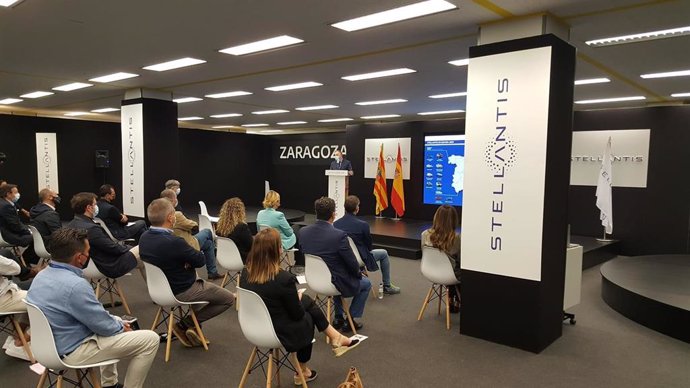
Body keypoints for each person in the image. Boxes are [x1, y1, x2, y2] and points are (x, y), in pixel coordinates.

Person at [26, 228, 160, 388]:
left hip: (47, 346)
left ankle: (109, 383)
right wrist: (120, 327)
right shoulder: (75, 285)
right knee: (150, 340)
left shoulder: (41, 276)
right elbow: (104, 327)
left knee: (113, 321)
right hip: (72, 351)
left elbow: (97, 319)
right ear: (79, 258)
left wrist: (115, 324)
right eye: (88, 251)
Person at [241, 229, 360, 385]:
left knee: (306, 300)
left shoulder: (245, 273)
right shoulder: (283, 278)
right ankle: (302, 370)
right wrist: (296, 298)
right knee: (307, 317)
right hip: (277, 331)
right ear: (276, 250)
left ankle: (335, 337)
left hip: (254, 327)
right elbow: (297, 315)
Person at [138, 199, 235, 347]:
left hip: (158, 291)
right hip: (182, 290)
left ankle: (194, 328)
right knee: (228, 298)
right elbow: (200, 260)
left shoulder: (144, 238)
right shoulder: (175, 242)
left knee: (198, 285)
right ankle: (185, 324)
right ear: (171, 217)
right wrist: (187, 261)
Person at [299, 197, 371, 332]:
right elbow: (352, 263)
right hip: (334, 282)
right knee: (366, 284)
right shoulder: (339, 236)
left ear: (316, 212)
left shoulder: (303, 232)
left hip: (313, 280)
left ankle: (338, 316)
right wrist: (358, 274)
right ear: (333, 214)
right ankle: (350, 319)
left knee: (338, 274)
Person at [66, 192, 144, 280]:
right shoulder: (92, 229)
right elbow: (113, 248)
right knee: (146, 249)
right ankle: (157, 287)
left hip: (84, 266)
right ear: (89, 208)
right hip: (108, 266)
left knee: (143, 260)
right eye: (95, 204)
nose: (97, 207)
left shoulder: (70, 225)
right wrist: (130, 248)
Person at [334, 195, 401, 294]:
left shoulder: (336, 224)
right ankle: (387, 285)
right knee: (384, 253)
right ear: (357, 208)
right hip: (359, 259)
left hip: (343, 258)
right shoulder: (363, 225)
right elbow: (369, 246)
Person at [160, 189, 222, 279]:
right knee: (207, 232)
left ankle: (212, 272)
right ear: (173, 200)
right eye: (176, 198)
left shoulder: (160, 214)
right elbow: (193, 225)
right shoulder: (176, 215)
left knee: (208, 244)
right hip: (187, 245)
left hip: (173, 245)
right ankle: (213, 253)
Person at [421, 204, 461, 312]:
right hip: (450, 275)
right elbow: (459, 260)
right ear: (454, 220)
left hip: (429, 271)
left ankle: (452, 299)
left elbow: (423, 252)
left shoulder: (425, 234)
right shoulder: (456, 238)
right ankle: (456, 300)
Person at [0, 248, 36, 361]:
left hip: (6, 293)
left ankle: (19, 336)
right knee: (45, 301)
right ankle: (21, 343)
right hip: (3, 298)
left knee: (36, 291)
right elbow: (15, 268)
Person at [256, 190, 304, 267]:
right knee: (297, 229)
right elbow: (289, 232)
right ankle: (299, 262)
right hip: (278, 243)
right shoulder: (279, 215)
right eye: (278, 201)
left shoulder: (260, 213)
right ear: (276, 201)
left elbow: (259, 231)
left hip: (264, 242)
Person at [0, 184, 39, 265]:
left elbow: (16, 223)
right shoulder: (6, 206)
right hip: (9, 235)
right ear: (8, 194)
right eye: (16, 192)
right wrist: (28, 231)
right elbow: (15, 225)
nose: (18, 194)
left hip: (7, 232)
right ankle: (25, 261)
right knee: (38, 238)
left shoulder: (5, 203)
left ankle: (24, 262)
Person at [215, 197, 253, 263]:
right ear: (240, 211)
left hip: (224, 258)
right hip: (241, 259)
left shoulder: (220, 227)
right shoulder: (242, 227)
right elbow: (251, 245)